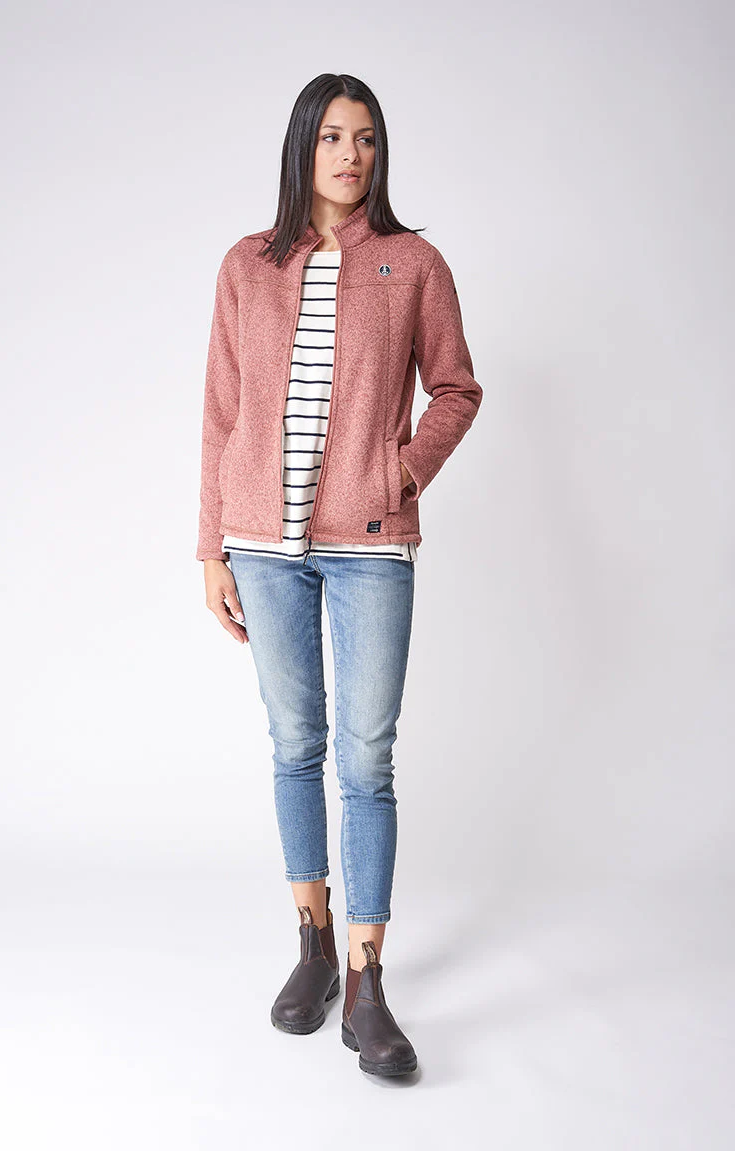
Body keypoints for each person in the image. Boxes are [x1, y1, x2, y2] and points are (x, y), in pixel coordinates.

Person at [196, 73, 483, 1078]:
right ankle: (312, 941)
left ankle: (366, 979)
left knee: (365, 757)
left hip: (370, 546)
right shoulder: (248, 264)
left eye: (364, 137)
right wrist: (209, 545)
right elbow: (221, 411)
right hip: (261, 544)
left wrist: (402, 468)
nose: (350, 154)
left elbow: (456, 387)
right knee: (294, 743)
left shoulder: (413, 263)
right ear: (302, 148)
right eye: (331, 137)